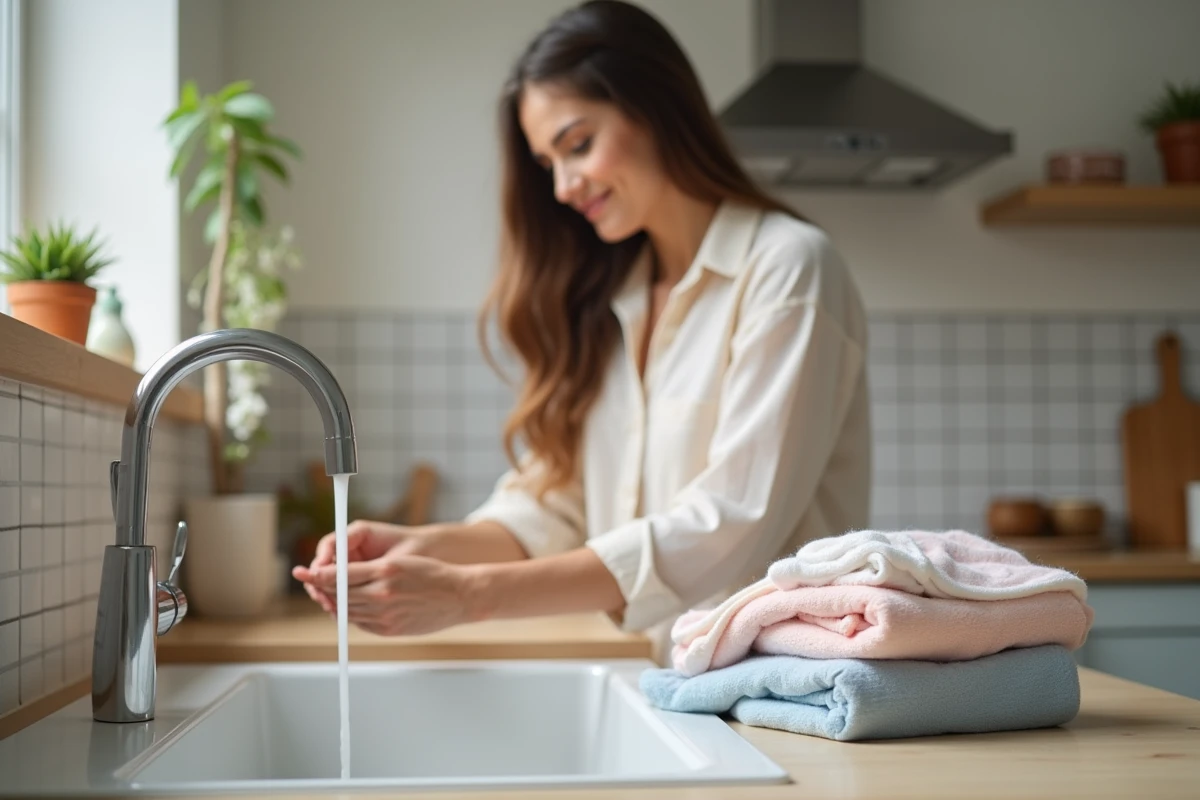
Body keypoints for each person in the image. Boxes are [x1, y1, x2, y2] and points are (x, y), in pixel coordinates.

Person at [293, 0, 870, 659]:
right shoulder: (607, 298)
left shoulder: (788, 268)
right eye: (547, 163)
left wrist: (469, 593)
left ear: (655, 107)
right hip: (662, 679)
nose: (563, 187)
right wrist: (424, 547)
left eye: (577, 145)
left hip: (774, 690)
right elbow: (557, 506)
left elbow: (728, 527)